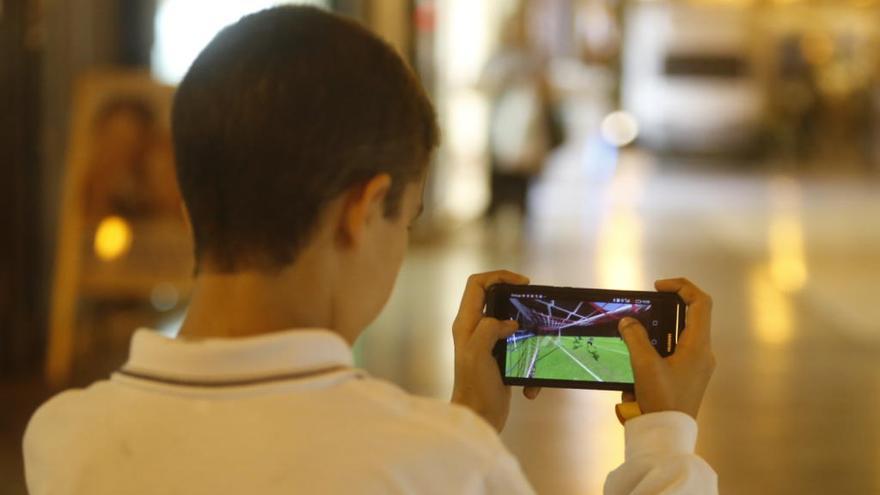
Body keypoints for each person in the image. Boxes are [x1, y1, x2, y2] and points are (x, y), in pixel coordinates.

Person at [24, 6, 717, 494]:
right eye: (406, 220)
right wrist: (665, 440)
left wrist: (465, 417)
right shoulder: (445, 464)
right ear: (361, 210)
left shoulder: (63, 440)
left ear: (189, 202)